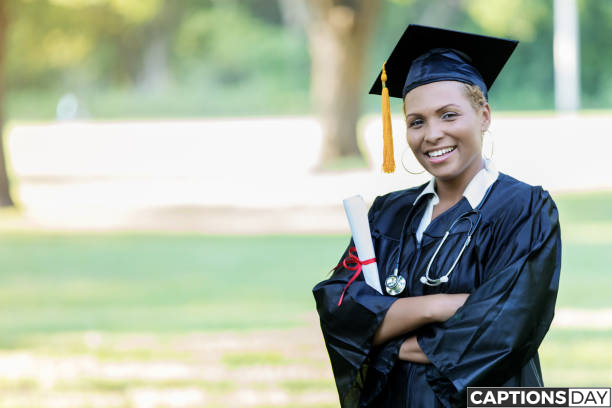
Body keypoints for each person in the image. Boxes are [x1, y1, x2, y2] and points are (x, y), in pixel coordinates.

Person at [312, 24, 561, 408]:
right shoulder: (387, 213)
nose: (432, 134)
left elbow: (505, 329)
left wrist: (384, 335)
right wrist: (438, 306)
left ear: (484, 116)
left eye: (448, 115)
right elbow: (340, 310)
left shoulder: (525, 209)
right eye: (417, 121)